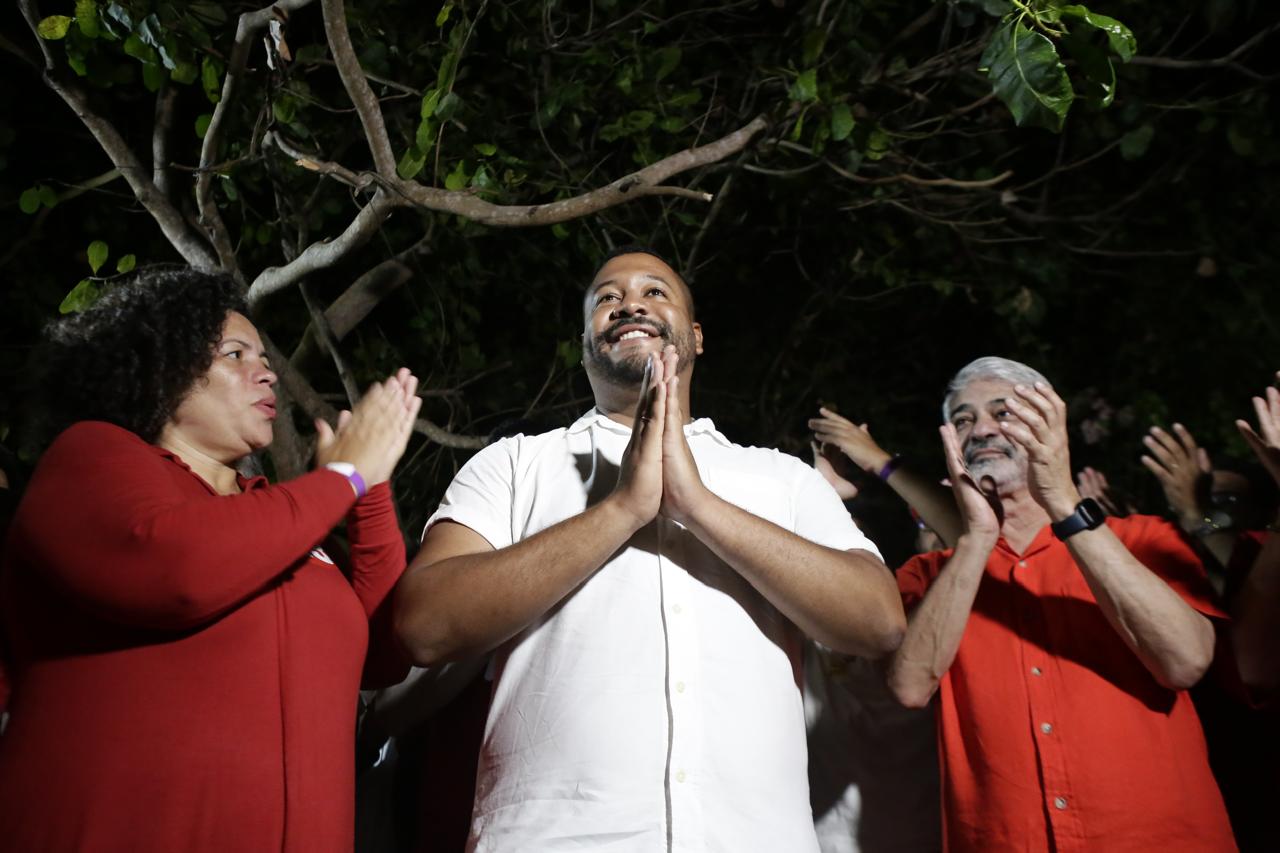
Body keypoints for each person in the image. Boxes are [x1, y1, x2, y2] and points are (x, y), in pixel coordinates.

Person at [394, 248, 906, 852]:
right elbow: (424, 625)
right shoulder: (514, 464)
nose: (630, 303)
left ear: (695, 337)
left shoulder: (781, 478)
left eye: (655, 292)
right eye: (607, 298)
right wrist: (622, 510)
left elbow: (879, 623)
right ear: (585, 343)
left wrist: (698, 506)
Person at [0, 268, 420, 853]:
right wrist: (341, 479)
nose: (266, 370)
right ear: (163, 368)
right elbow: (173, 569)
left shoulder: (279, 520)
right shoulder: (90, 459)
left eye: (265, 355)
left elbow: (384, 652)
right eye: (235, 353)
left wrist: (370, 491)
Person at [885, 356, 1235, 852]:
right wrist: (978, 540)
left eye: (1002, 413)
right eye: (963, 420)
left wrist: (1067, 504)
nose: (981, 429)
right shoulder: (932, 574)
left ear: (1047, 425)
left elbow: (1186, 661)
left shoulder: (1142, 539)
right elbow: (909, 685)